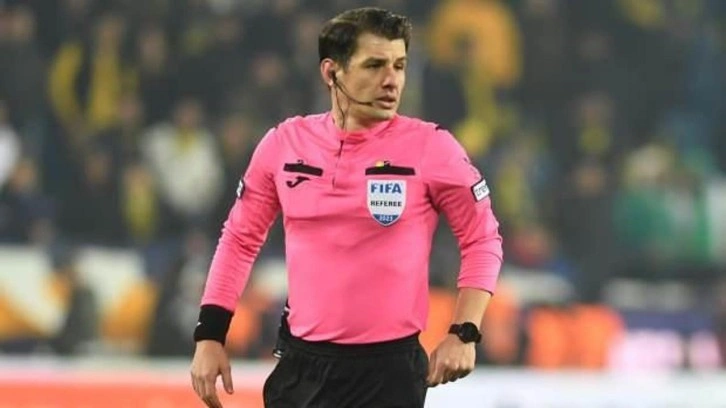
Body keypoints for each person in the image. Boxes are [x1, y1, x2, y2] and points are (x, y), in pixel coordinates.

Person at [190, 7, 503, 408]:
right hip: (301, 369)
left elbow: (482, 238)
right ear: (331, 72)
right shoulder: (284, 144)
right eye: (374, 65)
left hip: (387, 375)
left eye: (399, 65)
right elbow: (239, 239)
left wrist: (465, 331)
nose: (391, 80)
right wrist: (210, 335)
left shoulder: (432, 147)